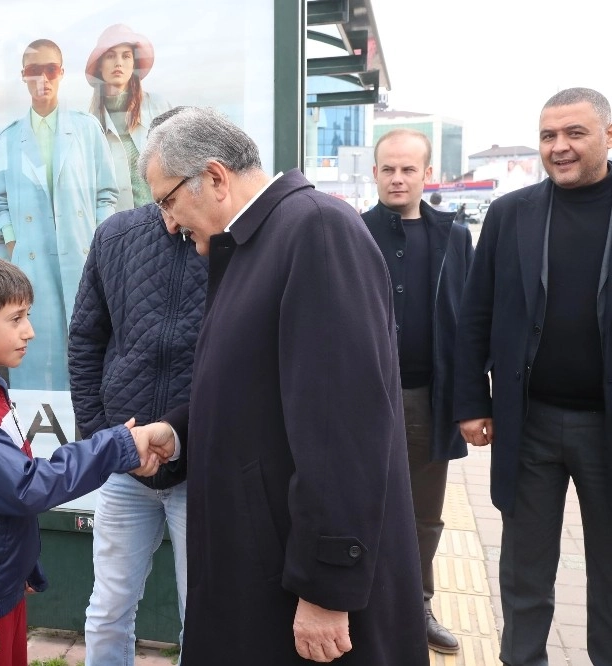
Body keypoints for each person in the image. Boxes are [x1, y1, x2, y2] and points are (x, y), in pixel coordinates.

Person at [131, 107, 428, 664]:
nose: (167, 223)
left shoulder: (315, 230)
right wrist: (177, 429)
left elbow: (346, 427)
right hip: (262, 562)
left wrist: (326, 588)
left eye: (167, 200)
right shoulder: (257, 241)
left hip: (297, 582)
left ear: (215, 178)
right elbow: (255, 384)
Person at [454, 86, 612, 666]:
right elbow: (475, 315)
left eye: (575, 134)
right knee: (524, 571)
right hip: (531, 423)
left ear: (609, 136)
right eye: (549, 136)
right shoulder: (510, 213)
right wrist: (472, 401)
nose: (559, 147)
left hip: (605, 426)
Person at [0, 253, 162, 666]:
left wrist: (21, 565)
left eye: (28, 316)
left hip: (1, 586)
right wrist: (118, 445)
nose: (29, 331)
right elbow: (26, 486)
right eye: (15, 319)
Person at [69, 107, 205, 666]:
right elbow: (85, 341)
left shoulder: (234, 248)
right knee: (107, 610)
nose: (170, 215)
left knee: (202, 613)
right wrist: (107, 443)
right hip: (126, 465)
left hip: (202, 465)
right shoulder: (116, 235)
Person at [362, 128, 474, 655]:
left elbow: (473, 322)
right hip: (364, 398)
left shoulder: (454, 237)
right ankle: (362, 603)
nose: (398, 178)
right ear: (375, 173)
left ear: (427, 174)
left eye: (409, 169)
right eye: (389, 169)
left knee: (424, 513)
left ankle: (417, 602)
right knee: (362, 501)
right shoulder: (351, 232)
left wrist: (475, 401)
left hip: (431, 397)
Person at [0, 39, 118, 391]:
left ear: (61, 73)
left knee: (87, 349)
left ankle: (89, 433)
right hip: (32, 263)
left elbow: (106, 192)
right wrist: (15, 243)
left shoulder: (87, 129)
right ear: (23, 76)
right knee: (35, 351)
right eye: (34, 71)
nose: (42, 79)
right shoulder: (9, 138)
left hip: (82, 256)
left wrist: (97, 240)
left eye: (50, 70)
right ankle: (37, 433)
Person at [85, 24, 172, 212]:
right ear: (100, 65)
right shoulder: (89, 122)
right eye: (110, 56)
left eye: (126, 56)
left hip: (164, 223)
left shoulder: (158, 106)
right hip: (119, 229)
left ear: (134, 64)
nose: (118, 63)